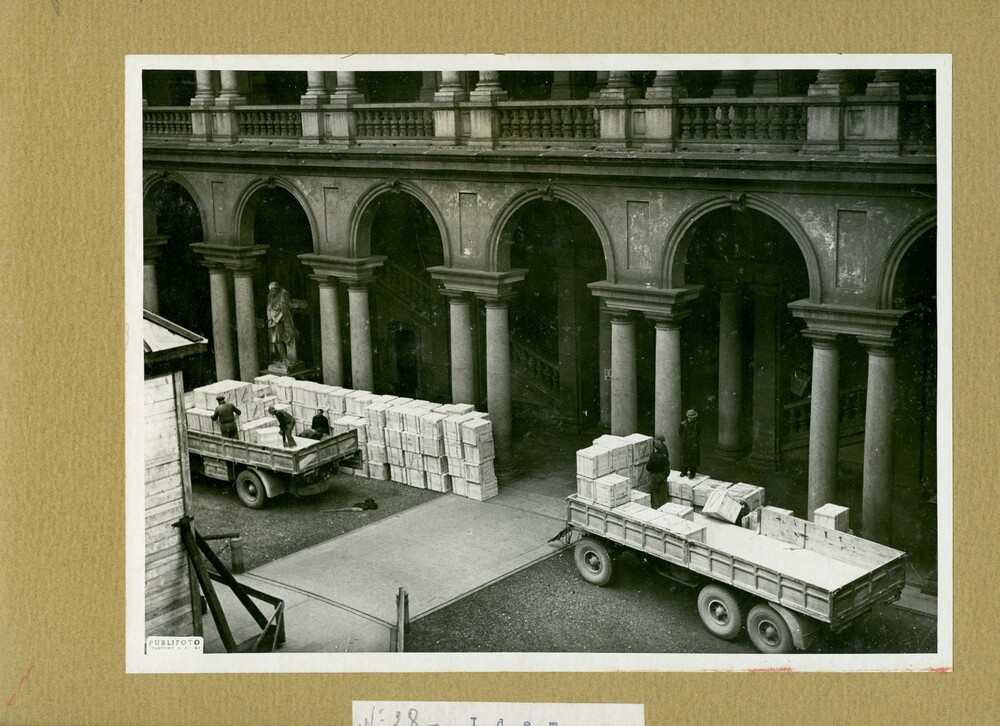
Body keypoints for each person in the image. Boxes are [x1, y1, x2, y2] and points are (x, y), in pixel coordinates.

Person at [266, 281, 298, 364]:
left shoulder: (284, 295)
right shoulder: (270, 296)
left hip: (282, 321)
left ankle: (285, 358)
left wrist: (276, 320)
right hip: (273, 321)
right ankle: (283, 358)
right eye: (271, 291)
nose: (272, 292)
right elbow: (268, 309)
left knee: (277, 339)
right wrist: (270, 319)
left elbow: (285, 310)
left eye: (274, 290)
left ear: (277, 289)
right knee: (275, 340)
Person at [645, 434, 670, 509]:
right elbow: (667, 464)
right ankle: (665, 508)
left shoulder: (653, 456)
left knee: (654, 493)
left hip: (655, 477)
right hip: (663, 475)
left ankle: (656, 508)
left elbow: (648, 468)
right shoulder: (665, 451)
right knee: (663, 493)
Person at [679, 408, 701, 478]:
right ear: (689, 417)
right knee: (685, 458)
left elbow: (698, 433)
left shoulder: (697, 424)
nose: (694, 419)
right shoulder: (683, 424)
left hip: (694, 444)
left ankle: (692, 473)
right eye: (692, 418)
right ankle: (684, 471)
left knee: (693, 460)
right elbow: (680, 433)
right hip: (686, 444)